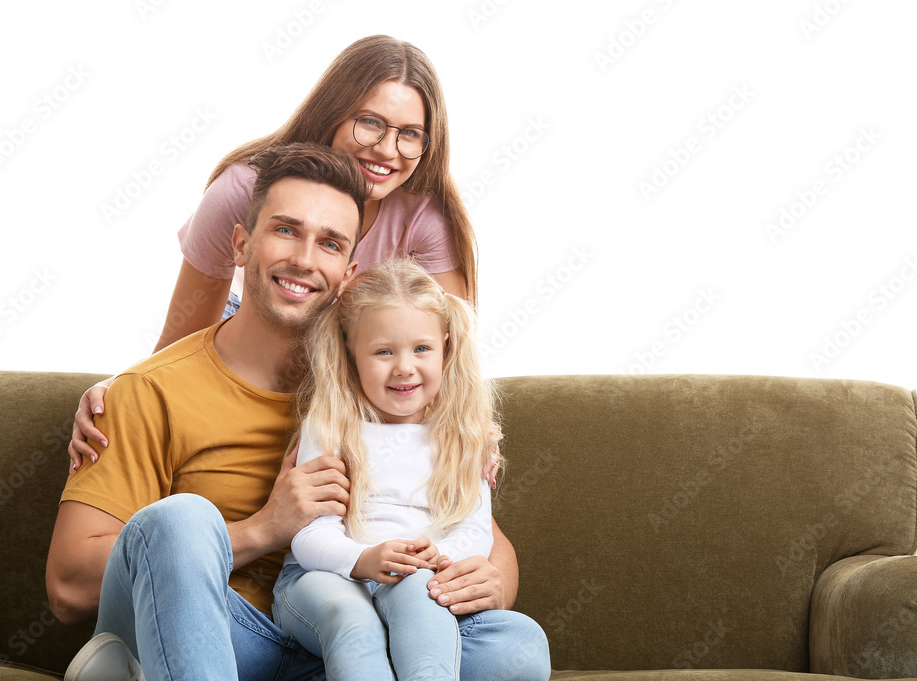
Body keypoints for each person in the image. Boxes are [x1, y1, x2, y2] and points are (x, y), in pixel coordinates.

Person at [46, 143, 549, 681]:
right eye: (286, 230)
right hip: (226, 635)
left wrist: (491, 580)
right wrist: (264, 529)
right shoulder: (149, 391)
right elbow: (69, 588)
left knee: (515, 644)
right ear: (241, 243)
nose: (305, 260)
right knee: (183, 519)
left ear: (349, 272)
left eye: (329, 244)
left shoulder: (374, 390)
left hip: (342, 646)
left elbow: (472, 528)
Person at [69, 34, 479, 468]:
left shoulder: (426, 215)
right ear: (334, 113)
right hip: (255, 323)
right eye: (370, 123)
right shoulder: (241, 190)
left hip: (349, 347)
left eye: (410, 134)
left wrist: (475, 428)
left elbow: (452, 351)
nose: (385, 149)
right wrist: (122, 390)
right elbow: (183, 337)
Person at [272, 258, 547, 681]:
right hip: (327, 576)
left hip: (416, 581)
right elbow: (310, 534)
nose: (404, 366)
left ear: (446, 347)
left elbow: (475, 529)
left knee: (521, 641)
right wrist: (364, 559)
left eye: (421, 349)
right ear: (350, 353)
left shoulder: (463, 435)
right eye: (384, 351)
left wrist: (440, 559)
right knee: (353, 622)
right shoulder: (331, 427)